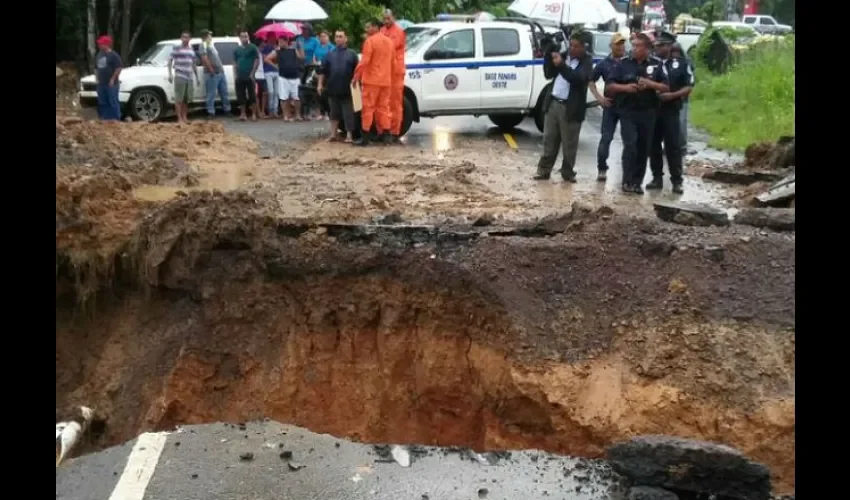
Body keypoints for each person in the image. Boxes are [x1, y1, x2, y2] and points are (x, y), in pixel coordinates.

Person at [607, 32, 669, 194]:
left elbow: (665, 87)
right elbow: (610, 86)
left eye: (637, 46)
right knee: (630, 144)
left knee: (643, 148)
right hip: (628, 111)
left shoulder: (657, 64)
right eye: (632, 45)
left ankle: (637, 182)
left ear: (647, 48)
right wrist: (626, 88)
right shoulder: (623, 64)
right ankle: (626, 181)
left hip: (648, 112)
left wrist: (649, 84)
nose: (633, 49)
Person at [534, 32, 593, 182]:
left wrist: (561, 65)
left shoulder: (586, 62)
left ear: (583, 47)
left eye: (576, 46)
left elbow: (578, 79)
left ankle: (567, 172)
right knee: (549, 139)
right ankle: (543, 170)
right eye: (571, 45)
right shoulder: (563, 55)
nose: (572, 48)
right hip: (553, 103)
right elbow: (548, 74)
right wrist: (548, 55)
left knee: (569, 143)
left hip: (571, 107)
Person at [646, 32, 694, 194]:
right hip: (653, 110)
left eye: (661, 45)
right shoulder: (651, 63)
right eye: (656, 45)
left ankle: (676, 180)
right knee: (653, 145)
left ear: (669, 46)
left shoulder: (680, 64)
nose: (657, 48)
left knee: (673, 146)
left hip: (671, 110)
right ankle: (657, 177)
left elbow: (689, 86)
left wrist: (673, 95)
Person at [588, 32, 627, 182]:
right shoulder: (604, 64)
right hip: (610, 106)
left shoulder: (629, 62)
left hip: (627, 107)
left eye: (622, 43)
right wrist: (599, 98)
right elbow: (591, 80)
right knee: (606, 138)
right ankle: (602, 168)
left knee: (629, 140)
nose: (621, 47)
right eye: (618, 44)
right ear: (611, 46)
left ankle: (627, 171)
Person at [352, 20, 394, 146]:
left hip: (371, 81)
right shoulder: (389, 42)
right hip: (386, 81)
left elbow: (364, 61)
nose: (366, 28)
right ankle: (386, 135)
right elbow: (393, 62)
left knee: (368, 109)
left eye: (368, 26)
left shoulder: (370, 41)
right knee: (384, 108)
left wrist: (356, 76)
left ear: (376, 27)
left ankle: (365, 137)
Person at [318, 29, 359, 143]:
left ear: (346, 39)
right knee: (333, 113)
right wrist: (320, 84)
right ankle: (333, 134)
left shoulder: (352, 54)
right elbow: (322, 71)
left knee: (348, 113)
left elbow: (358, 71)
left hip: (347, 89)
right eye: (336, 36)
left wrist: (358, 83)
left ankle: (349, 135)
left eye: (341, 36)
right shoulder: (329, 55)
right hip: (332, 88)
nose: (338, 39)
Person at [381, 9, 406, 143]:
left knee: (395, 103)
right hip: (385, 71)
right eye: (384, 19)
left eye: (388, 18)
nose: (386, 21)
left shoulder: (398, 32)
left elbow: (390, 47)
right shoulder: (382, 30)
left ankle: (395, 132)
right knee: (384, 103)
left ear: (393, 18)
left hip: (396, 71)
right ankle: (384, 130)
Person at [265, 36, 304, 121]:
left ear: (287, 41)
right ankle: (286, 115)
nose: (280, 43)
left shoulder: (293, 50)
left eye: (281, 42)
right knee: (283, 97)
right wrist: (275, 66)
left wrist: (300, 47)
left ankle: (297, 115)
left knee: (297, 97)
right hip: (283, 77)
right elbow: (267, 58)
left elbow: (301, 57)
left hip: (295, 77)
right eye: (279, 42)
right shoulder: (277, 51)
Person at [168, 31, 200, 124]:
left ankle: (184, 117)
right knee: (179, 98)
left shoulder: (191, 49)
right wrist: (170, 74)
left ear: (190, 39)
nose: (185, 39)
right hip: (180, 75)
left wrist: (197, 77)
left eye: (187, 37)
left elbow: (193, 63)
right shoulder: (177, 48)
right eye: (183, 37)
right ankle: (179, 118)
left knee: (186, 98)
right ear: (181, 38)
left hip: (189, 76)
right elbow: (170, 61)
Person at [198, 29, 231, 117]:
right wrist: (211, 69)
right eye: (209, 35)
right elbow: (204, 58)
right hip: (212, 73)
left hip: (220, 72)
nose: (211, 37)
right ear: (205, 36)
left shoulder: (210, 45)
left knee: (224, 92)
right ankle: (211, 112)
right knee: (211, 93)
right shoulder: (203, 45)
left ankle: (227, 109)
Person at [670, 42, 694, 157]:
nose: (675, 55)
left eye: (677, 52)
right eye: (673, 52)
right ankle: (671, 145)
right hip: (669, 99)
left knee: (681, 123)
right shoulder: (668, 64)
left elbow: (690, 82)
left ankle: (682, 146)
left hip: (681, 98)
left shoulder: (685, 64)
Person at [94, 35, 122, 121]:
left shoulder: (114, 55)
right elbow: (96, 67)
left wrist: (112, 79)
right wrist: (96, 77)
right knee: (102, 102)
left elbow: (118, 68)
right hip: (101, 83)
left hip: (111, 84)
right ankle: (105, 119)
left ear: (106, 44)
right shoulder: (99, 55)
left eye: (101, 44)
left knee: (112, 101)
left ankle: (115, 119)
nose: (99, 45)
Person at [233, 31, 260, 121]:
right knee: (241, 96)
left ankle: (253, 114)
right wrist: (235, 75)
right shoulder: (237, 49)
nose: (244, 38)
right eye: (242, 36)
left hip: (250, 76)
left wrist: (252, 73)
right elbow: (235, 62)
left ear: (248, 37)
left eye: (246, 36)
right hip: (240, 76)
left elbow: (257, 60)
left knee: (252, 95)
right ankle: (243, 114)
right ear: (240, 38)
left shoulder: (253, 47)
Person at [296, 25, 319, 119]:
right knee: (301, 88)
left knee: (310, 89)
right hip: (300, 67)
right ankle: (302, 111)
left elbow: (317, 53)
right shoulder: (299, 39)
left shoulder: (315, 41)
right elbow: (295, 51)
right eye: (303, 29)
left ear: (310, 30)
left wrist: (315, 61)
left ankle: (310, 110)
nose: (304, 31)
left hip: (311, 67)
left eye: (306, 29)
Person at [313, 31, 334, 120]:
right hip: (318, 69)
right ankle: (321, 112)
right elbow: (314, 56)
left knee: (326, 92)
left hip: (327, 71)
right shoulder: (318, 46)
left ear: (328, 37)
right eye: (321, 36)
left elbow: (331, 59)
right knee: (318, 92)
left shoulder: (331, 47)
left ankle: (328, 112)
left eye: (324, 36)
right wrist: (315, 62)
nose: (322, 38)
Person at [261, 35, 279, 117]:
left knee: (277, 92)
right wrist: (273, 53)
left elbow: (279, 59)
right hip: (268, 71)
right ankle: (270, 110)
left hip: (276, 71)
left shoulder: (278, 48)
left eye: (274, 38)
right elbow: (265, 59)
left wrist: (276, 50)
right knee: (270, 92)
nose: (273, 39)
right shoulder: (265, 48)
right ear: (268, 39)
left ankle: (275, 111)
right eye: (271, 38)